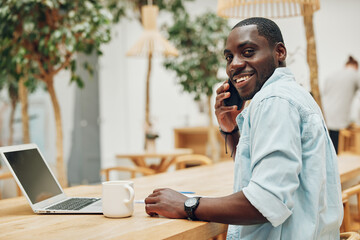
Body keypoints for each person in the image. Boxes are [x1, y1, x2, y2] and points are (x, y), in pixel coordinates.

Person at [145, 17, 343, 239]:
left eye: (248, 52)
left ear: (280, 53)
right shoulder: (292, 94)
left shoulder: (274, 101)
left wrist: (187, 204)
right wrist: (230, 131)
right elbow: (261, 176)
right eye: (229, 57)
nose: (234, 64)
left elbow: (267, 202)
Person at [321, 56, 360, 153]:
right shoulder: (354, 75)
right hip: (339, 122)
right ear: (356, 66)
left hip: (324, 116)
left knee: (328, 149)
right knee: (336, 151)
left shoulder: (332, 75)